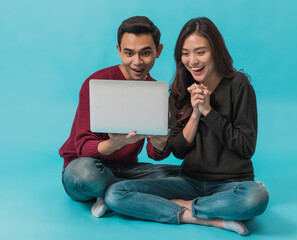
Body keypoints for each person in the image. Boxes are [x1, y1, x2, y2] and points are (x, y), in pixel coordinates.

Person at [104, 17, 269, 235]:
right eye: (185, 53)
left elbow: (246, 147)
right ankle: (203, 216)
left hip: (231, 184)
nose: (192, 61)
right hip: (189, 182)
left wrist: (209, 111)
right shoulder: (180, 90)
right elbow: (179, 151)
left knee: (255, 198)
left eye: (200, 52)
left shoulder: (239, 85)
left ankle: (180, 207)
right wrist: (195, 114)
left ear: (216, 51)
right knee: (116, 193)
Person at [59, 16, 180, 218]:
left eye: (146, 53)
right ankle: (126, 192)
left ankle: (113, 195)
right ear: (119, 51)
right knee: (84, 174)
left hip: (126, 170)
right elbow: (82, 147)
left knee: (180, 174)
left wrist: (161, 143)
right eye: (129, 53)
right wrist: (116, 143)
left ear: (158, 51)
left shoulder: (155, 92)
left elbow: (154, 154)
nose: (137, 62)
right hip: (87, 167)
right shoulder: (96, 82)